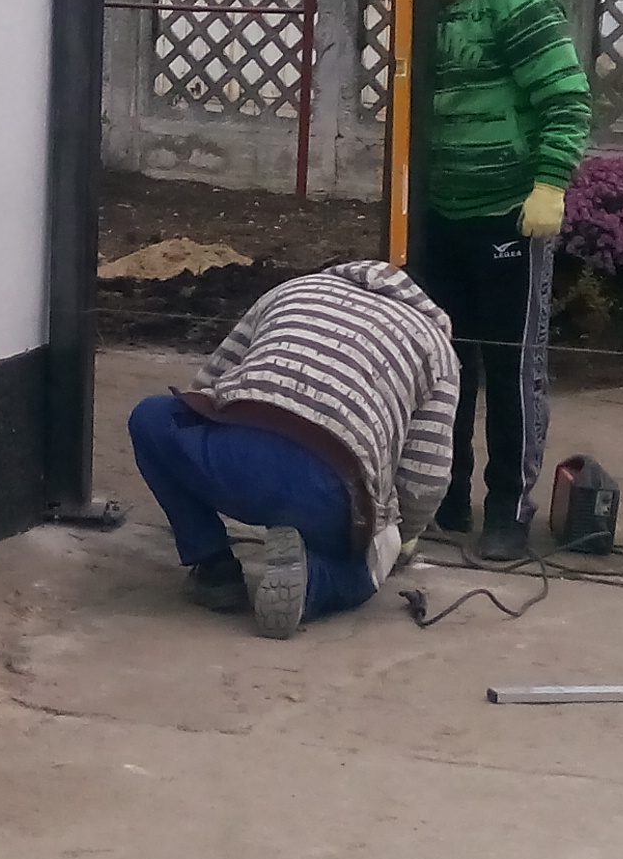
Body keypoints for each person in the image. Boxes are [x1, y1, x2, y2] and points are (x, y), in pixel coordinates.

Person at [366, 0, 590, 559]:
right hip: (442, 214)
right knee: (444, 362)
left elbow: (567, 98)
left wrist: (550, 183)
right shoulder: (429, 12)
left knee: (511, 366)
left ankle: (508, 512)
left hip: (508, 216)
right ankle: (447, 498)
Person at [128, 260, 458, 639]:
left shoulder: (291, 290)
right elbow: (425, 478)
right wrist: (397, 538)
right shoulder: (436, 346)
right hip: (329, 493)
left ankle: (214, 568)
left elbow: (205, 388)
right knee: (369, 565)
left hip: (232, 456)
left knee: (151, 417)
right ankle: (314, 582)